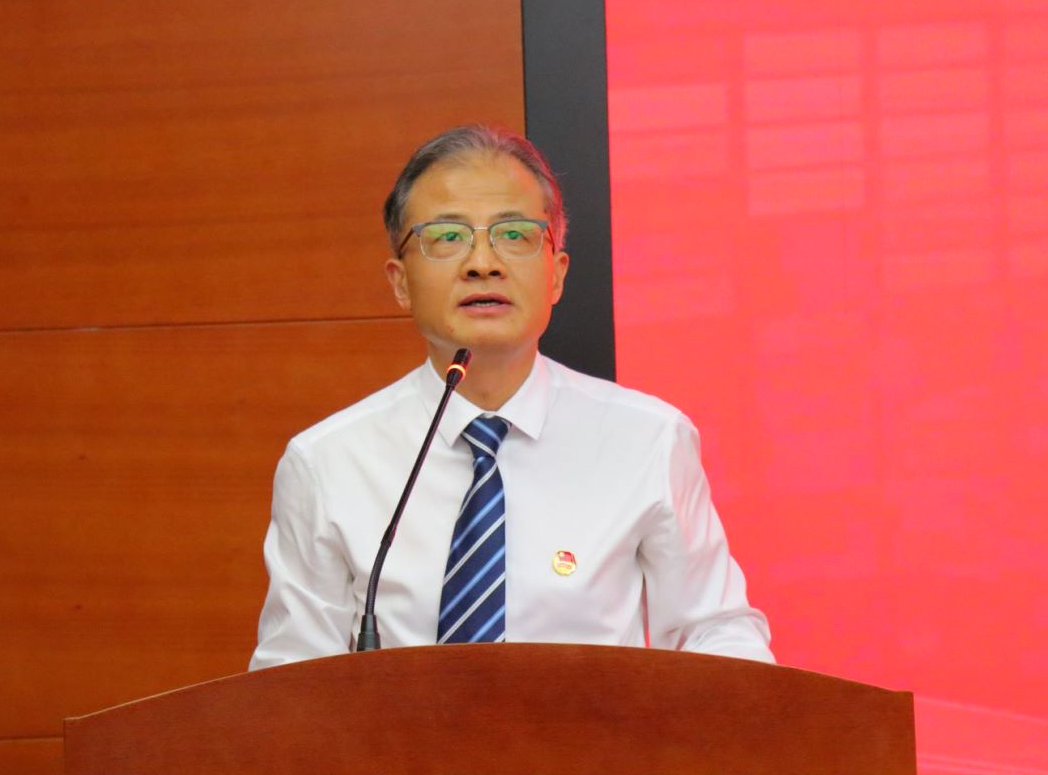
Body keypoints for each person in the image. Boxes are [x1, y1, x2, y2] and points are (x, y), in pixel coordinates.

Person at [249, 125, 772, 669]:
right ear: (400, 282)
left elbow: (716, 631)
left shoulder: (648, 440)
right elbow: (292, 678)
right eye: (447, 237)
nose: (483, 263)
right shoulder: (327, 462)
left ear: (557, 275)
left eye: (515, 234)